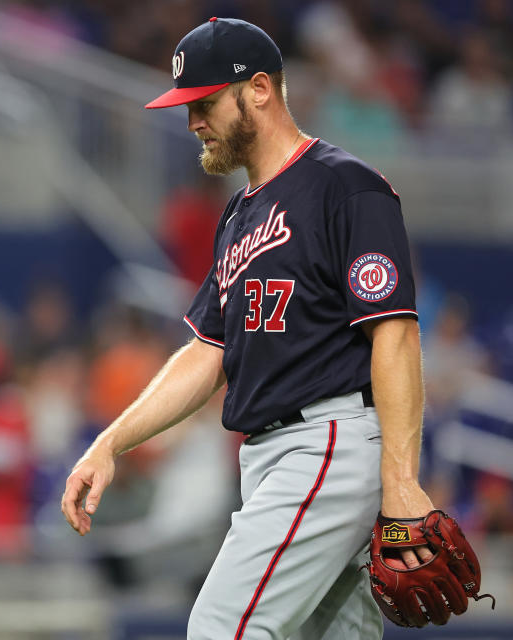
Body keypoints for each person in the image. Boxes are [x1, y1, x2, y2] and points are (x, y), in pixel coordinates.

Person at [61, 18, 435, 639]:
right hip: (276, 457)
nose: (193, 123)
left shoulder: (345, 187)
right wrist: (110, 443)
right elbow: (208, 352)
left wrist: (400, 482)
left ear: (258, 89)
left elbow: (394, 336)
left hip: (326, 446)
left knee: (219, 629)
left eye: (203, 103)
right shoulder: (239, 215)